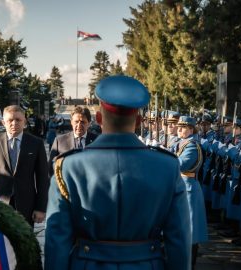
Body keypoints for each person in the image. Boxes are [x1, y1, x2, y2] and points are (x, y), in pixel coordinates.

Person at [45, 75, 191, 270]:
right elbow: (179, 239)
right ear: (138, 121)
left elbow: (57, 241)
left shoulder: (68, 167)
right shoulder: (168, 166)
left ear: (98, 119)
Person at [0, 105, 49, 226]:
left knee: (23, 243)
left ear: (25, 122)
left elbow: (42, 178)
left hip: (26, 205)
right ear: (3, 122)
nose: (14, 123)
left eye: (18, 120)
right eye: (10, 120)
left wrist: (41, 208)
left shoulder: (36, 143)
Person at [173, 115, 208, 269]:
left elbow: (180, 164)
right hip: (182, 187)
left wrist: (163, 156)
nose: (179, 130)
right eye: (179, 127)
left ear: (191, 129)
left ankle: (191, 263)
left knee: (191, 230)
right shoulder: (183, 143)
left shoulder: (192, 146)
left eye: (183, 127)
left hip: (189, 188)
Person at [48, 106, 98, 176]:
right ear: (71, 122)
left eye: (83, 122)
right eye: (76, 121)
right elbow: (51, 168)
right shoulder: (59, 142)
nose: (79, 125)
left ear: (89, 123)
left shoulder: (97, 141)